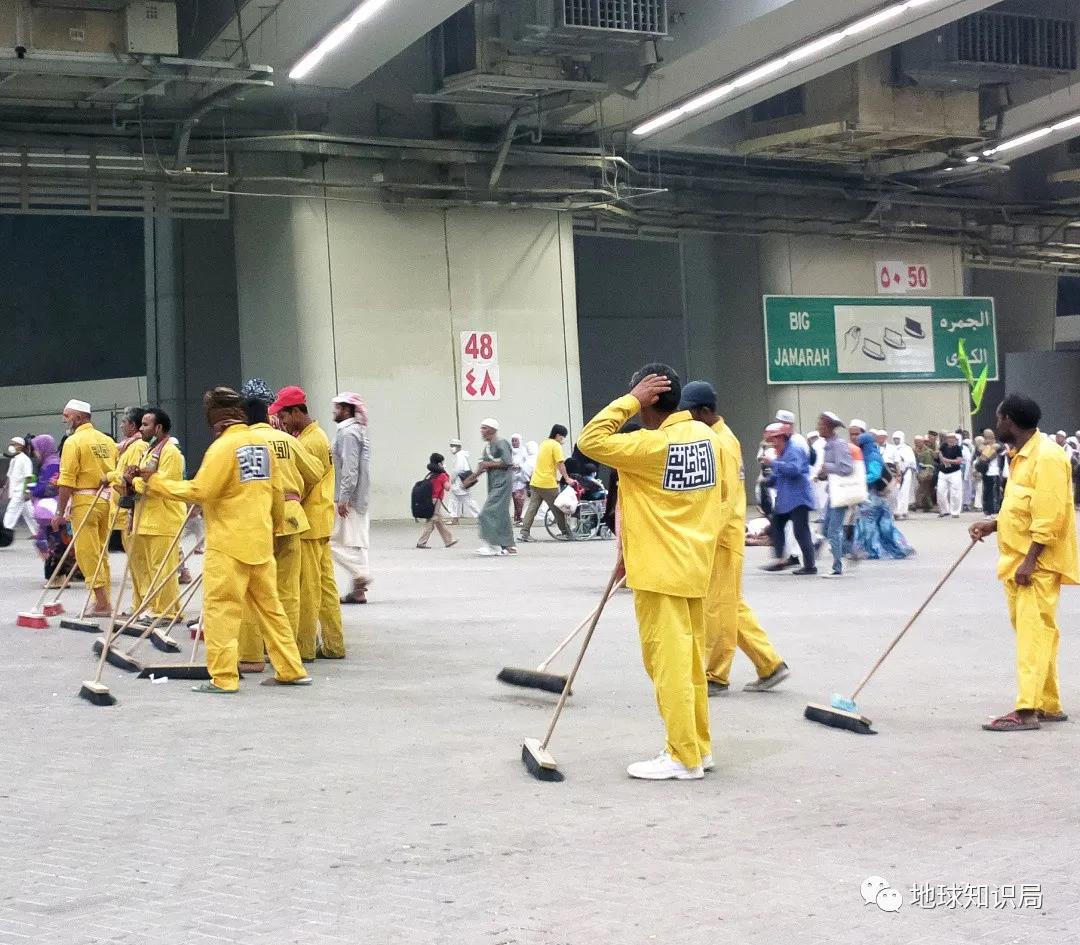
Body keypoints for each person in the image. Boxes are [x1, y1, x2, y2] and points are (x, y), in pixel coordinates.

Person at [577, 364, 724, 780]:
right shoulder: (705, 438)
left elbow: (590, 441)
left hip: (660, 572)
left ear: (649, 401)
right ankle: (698, 746)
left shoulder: (649, 447)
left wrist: (629, 400)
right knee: (691, 666)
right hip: (694, 566)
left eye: (641, 398)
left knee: (669, 666)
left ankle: (682, 757)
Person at [137, 387, 311, 693]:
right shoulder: (262, 445)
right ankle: (291, 669)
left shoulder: (222, 448)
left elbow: (199, 491)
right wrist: (271, 529)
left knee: (221, 610)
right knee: (272, 610)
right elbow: (276, 494)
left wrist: (152, 484)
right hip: (259, 543)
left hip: (228, 546)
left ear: (215, 419)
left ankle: (224, 678)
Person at [971, 394, 1078, 732]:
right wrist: (994, 524)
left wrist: (1030, 562)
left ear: (1009, 422)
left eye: (999, 418)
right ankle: (1048, 704)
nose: (996, 424)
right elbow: (1022, 509)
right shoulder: (1021, 456)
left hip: (1035, 567)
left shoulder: (1047, 457)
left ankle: (1027, 710)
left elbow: (1049, 516)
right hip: (1017, 562)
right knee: (1041, 635)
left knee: (1032, 638)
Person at [680, 382, 788, 695]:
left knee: (718, 609)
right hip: (722, 533)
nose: (686, 417)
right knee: (729, 606)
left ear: (705, 411)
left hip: (721, 536)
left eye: (690, 412)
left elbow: (722, 498)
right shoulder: (718, 438)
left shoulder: (719, 442)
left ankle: (716, 675)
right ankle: (770, 664)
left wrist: (704, 535)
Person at [236, 386, 323, 673]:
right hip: (292, 517)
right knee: (288, 591)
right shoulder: (287, 440)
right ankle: (286, 654)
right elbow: (315, 473)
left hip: (256, 520)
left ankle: (251, 654)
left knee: (251, 590)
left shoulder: (243, 443)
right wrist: (294, 493)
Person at [270, 386, 345, 662]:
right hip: (320, 521)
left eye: (284, 415)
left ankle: (303, 648)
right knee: (325, 587)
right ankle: (334, 644)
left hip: (309, 523)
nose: (283, 421)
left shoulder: (309, 441)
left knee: (307, 588)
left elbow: (302, 483)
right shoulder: (314, 436)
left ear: (297, 411)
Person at [53, 399, 117, 616]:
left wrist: (59, 512)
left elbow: (67, 480)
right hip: (106, 501)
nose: (64, 420)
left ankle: (101, 602)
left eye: (67, 415)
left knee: (86, 553)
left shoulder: (73, 442)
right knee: (100, 552)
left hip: (85, 503)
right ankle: (102, 600)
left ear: (79, 417)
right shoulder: (107, 441)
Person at [125, 409, 186, 619]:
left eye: (145, 425)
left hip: (165, 518)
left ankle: (167, 613)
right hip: (147, 517)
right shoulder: (149, 451)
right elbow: (146, 478)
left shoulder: (170, 453)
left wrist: (135, 481)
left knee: (163, 569)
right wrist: (131, 478)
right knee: (152, 569)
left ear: (158, 428)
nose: (140, 428)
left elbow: (161, 484)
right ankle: (158, 608)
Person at [330, 392, 373, 606]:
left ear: (346, 409)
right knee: (357, 544)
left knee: (327, 541)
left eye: (337, 407)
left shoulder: (347, 434)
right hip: (360, 497)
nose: (334, 411)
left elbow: (349, 468)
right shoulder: (359, 431)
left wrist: (343, 498)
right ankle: (358, 592)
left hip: (349, 498)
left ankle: (360, 573)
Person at [760, 423, 817, 575]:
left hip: (798, 498)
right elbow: (780, 473)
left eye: (773, 440)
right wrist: (768, 481)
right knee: (777, 525)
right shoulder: (782, 451)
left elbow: (794, 469)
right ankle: (780, 560)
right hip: (786, 499)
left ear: (781, 437)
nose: (772, 444)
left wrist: (773, 463)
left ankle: (810, 566)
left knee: (800, 531)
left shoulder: (794, 449)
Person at [851, 432, 913, 560]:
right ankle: (899, 548)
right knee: (885, 525)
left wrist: (858, 480)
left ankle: (871, 550)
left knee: (868, 524)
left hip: (873, 496)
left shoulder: (871, 457)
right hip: (881, 497)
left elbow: (874, 475)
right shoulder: (874, 454)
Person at [519, 424, 574, 543]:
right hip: (547, 483)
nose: (563, 440)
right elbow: (560, 464)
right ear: (558, 435)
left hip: (535, 481)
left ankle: (524, 533)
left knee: (532, 508)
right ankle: (566, 532)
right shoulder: (556, 445)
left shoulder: (544, 443)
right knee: (558, 508)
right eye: (563, 437)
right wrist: (567, 478)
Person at [817, 412, 854, 577]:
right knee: (825, 529)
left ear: (829, 427)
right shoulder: (829, 445)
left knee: (833, 530)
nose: (818, 428)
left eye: (821, 425)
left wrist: (827, 468)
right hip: (833, 492)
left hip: (841, 494)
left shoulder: (839, 445)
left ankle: (837, 567)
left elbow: (846, 468)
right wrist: (823, 474)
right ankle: (852, 551)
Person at [473, 419, 516, 556]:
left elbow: (508, 462)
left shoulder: (501, 443)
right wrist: (471, 477)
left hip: (503, 482)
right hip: (494, 482)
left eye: (484, 428)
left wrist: (488, 465)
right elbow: (482, 464)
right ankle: (508, 546)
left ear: (492, 429)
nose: (482, 431)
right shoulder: (488, 446)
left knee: (487, 512)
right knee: (501, 513)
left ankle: (494, 546)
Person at [416, 453, 457, 549]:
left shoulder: (430, 475)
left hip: (428, 499)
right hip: (436, 501)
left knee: (438, 521)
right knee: (432, 521)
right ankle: (421, 542)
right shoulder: (442, 475)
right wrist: (450, 479)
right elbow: (447, 487)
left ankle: (449, 540)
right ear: (439, 464)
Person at [3, 437, 37, 539]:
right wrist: (5, 487)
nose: (12, 446)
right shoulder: (14, 459)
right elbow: (10, 476)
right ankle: (38, 532)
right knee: (29, 513)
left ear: (20, 446)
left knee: (11, 510)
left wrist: (26, 491)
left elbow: (28, 476)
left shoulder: (25, 460)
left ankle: (5, 531)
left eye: (14, 444)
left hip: (21, 490)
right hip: (15, 490)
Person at [446, 438, 480, 524]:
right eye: (451, 446)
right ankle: (455, 518)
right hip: (458, 483)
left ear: (458, 447)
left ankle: (481, 517)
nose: (452, 448)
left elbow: (458, 469)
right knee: (454, 501)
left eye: (453, 446)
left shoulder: (460, 456)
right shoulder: (460, 456)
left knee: (468, 501)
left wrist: (452, 478)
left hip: (460, 483)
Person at [976, 430, 1005, 515]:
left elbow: (985, 456)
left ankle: (994, 511)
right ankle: (987, 511)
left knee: (994, 493)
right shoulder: (983, 446)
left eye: (990, 436)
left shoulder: (998, 444)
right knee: (986, 492)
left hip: (994, 472)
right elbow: (979, 453)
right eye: (986, 436)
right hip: (986, 472)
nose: (988, 438)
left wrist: (985, 452)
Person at [936, 431, 964, 518]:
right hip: (943, 472)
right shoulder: (943, 446)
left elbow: (959, 461)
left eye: (952, 438)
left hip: (954, 472)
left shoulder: (958, 448)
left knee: (955, 492)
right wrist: (939, 455)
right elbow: (938, 454)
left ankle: (955, 511)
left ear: (955, 439)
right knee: (940, 491)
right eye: (949, 438)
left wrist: (947, 461)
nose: (950, 440)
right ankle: (944, 510)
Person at [891, 432, 917, 519]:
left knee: (904, 492)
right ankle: (897, 511)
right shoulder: (892, 448)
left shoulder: (907, 448)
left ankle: (904, 511)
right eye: (895, 439)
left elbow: (912, 462)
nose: (896, 440)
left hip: (906, 472)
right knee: (896, 492)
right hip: (896, 473)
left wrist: (905, 463)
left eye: (897, 439)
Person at [510, 433, 528, 526]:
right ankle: (517, 518)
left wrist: (519, 466)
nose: (514, 442)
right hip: (513, 479)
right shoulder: (510, 452)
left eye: (515, 440)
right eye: (512, 440)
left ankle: (522, 518)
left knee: (519, 498)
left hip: (521, 479)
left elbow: (527, 464)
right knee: (515, 499)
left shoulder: (524, 451)